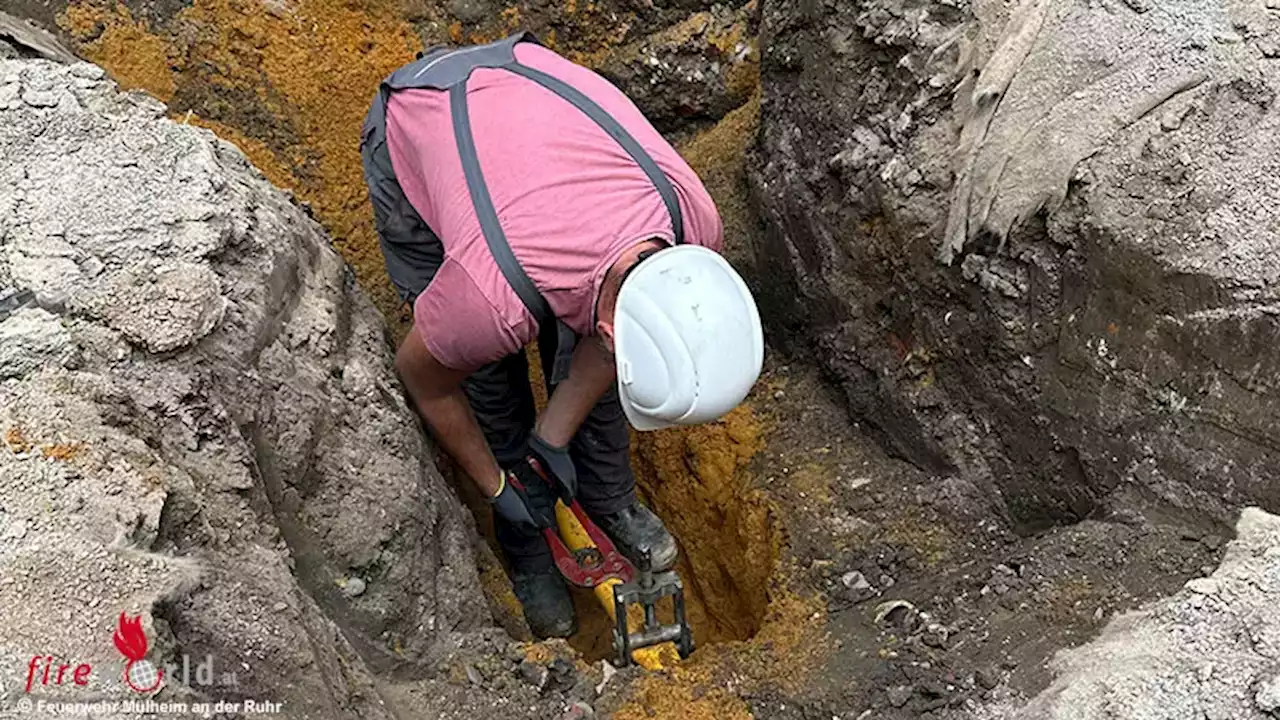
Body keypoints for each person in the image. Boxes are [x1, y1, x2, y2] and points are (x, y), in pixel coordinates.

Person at [360, 32, 763, 639]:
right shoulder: (486, 296)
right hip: (426, 116)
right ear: (608, 325)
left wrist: (550, 443)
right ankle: (524, 542)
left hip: (532, 103)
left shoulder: (693, 227)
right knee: (489, 376)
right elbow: (426, 380)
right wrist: (500, 489)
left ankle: (607, 497)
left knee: (590, 366)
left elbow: (606, 349)